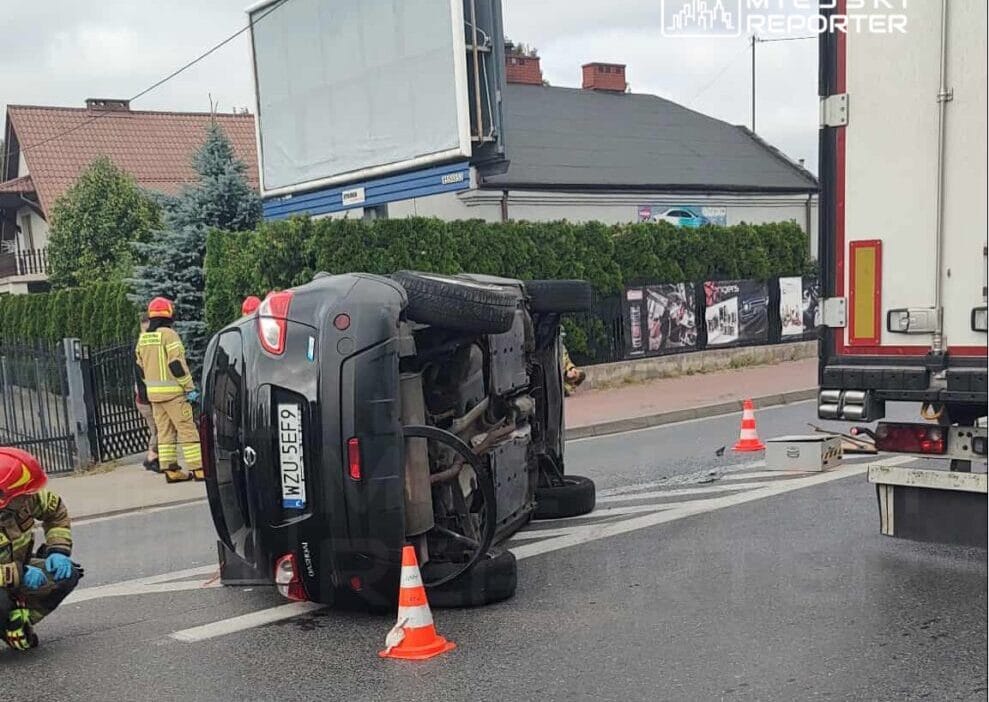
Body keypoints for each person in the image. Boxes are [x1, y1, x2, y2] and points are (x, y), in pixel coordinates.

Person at [0, 447, 81, 651]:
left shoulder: (24, 498)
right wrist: (20, 573)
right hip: (11, 576)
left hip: (19, 569)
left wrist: (58, 550)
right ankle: (6, 623)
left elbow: (56, 512)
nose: (30, 497)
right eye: (24, 495)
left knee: (66, 575)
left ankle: (18, 623)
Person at [134, 297, 203, 483]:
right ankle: (198, 468)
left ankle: (171, 470)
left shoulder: (144, 338)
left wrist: (151, 386)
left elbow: (139, 368)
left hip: (155, 397)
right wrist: (190, 388)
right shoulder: (169, 334)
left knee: (165, 433)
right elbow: (176, 364)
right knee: (187, 429)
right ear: (168, 314)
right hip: (174, 394)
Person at [134, 313, 160, 473]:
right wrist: (147, 398)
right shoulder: (141, 348)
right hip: (146, 399)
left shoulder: (142, 346)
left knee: (158, 428)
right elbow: (141, 377)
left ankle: (155, 457)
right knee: (157, 429)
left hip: (147, 397)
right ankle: (151, 458)